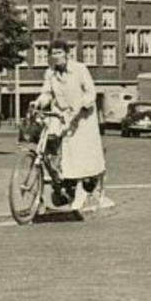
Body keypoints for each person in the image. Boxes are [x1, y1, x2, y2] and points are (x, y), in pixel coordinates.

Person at [36, 40, 106, 208]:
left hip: (82, 117)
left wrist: (83, 105)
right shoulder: (50, 73)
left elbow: (91, 92)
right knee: (50, 143)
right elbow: (46, 92)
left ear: (67, 54)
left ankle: (85, 183)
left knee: (80, 152)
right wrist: (38, 102)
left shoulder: (80, 69)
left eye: (60, 52)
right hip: (61, 115)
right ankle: (61, 182)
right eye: (53, 53)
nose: (56, 56)